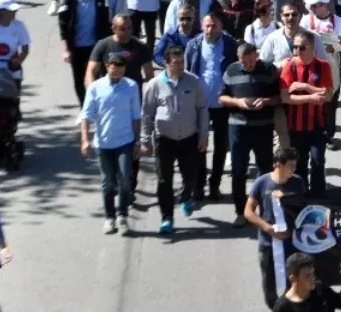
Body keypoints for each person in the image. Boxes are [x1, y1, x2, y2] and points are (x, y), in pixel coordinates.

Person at [141, 44, 209, 233]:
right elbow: (147, 113)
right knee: (164, 180)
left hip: (189, 138)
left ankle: (186, 197)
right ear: (166, 63)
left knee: (192, 176)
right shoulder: (155, 85)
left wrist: (204, 135)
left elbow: (202, 109)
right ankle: (167, 218)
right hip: (165, 139)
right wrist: (145, 139)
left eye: (182, 62)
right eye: (176, 63)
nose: (180, 66)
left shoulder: (193, 82)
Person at [80, 54, 141, 235]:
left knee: (124, 178)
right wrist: (85, 139)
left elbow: (136, 116)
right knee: (107, 182)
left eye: (121, 71)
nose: (117, 74)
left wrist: (138, 140)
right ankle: (109, 218)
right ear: (107, 66)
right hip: (103, 143)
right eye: (115, 70)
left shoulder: (131, 86)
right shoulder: (95, 88)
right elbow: (86, 115)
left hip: (125, 141)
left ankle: (122, 215)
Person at [220, 43, 280, 227]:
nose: (249, 65)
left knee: (265, 172)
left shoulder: (269, 70)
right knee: (238, 171)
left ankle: (265, 212)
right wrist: (237, 102)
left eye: (252, 61)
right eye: (245, 63)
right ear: (238, 59)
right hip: (238, 129)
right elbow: (221, 98)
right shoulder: (231, 71)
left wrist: (266, 101)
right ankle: (241, 212)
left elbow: (281, 97)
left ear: (257, 56)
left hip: (263, 128)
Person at [244, 148, 305, 312]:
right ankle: (275, 310)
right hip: (267, 242)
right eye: (290, 165)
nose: (293, 169)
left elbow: (303, 209)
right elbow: (248, 211)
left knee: (291, 279)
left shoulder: (298, 183)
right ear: (278, 164)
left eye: (295, 165)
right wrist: (267, 228)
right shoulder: (262, 182)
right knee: (268, 281)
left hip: (291, 242)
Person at [185, 14, 237, 204]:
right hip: (200, 103)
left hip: (223, 102)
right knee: (200, 145)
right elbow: (188, 73)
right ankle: (199, 185)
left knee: (221, 146)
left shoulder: (230, 44)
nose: (210, 29)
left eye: (214, 26)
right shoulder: (194, 45)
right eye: (207, 26)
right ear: (201, 26)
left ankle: (214, 184)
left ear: (220, 26)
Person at [279, 34, 333, 194]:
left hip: (318, 124)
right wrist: (312, 97)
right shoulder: (289, 66)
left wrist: (305, 86)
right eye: (294, 47)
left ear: (311, 48)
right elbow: (285, 97)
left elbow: (328, 95)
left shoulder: (322, 66)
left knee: (318, 162)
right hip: (295, 126)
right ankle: (300, 199)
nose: (297, 51)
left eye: (301, 47)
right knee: (299, 165)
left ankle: (318, 198)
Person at [58, 0, 112, 105]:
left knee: (98, 77)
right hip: (76, 48)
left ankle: (98, 105)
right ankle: (84, 107)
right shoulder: (69, 1)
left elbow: (105, 24)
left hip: (95, 46)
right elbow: (63, 27)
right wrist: (65, 50)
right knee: (79, 78)